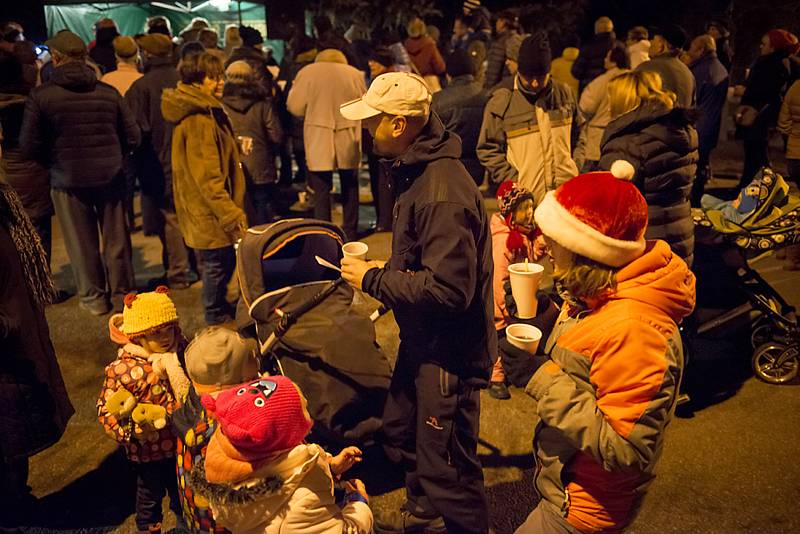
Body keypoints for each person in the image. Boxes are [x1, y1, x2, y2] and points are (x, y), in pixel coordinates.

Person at [340, 71, 494, 533]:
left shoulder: (439, 189)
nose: (366, 128)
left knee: (447, 465)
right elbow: (426, 261)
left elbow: (449, 290)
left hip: (449, 351)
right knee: (400, 430)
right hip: (424, 339)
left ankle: (464, 523)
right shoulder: (419, 168)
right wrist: (390, 278)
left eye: (373, 120)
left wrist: (373, 279)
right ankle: (425, 514)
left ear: (399, 124)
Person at [502, 165, 695, 533]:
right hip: (569, 490)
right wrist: (547, 314)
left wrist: (540, 376)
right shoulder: (606, 289)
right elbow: (591, 352)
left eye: (553, 238)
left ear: (583, 249)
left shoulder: (637, 329)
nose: (543, 246)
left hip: (584, 508)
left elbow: (627, 450)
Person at [20, 30, 140, 316]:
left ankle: (95, 299)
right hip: (110, 175)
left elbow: (28, 144)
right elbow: (133, 136)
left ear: (57, 58)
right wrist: (114, 155)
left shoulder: (41, 96)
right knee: (117, 241)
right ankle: (124, 296)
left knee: (81, 244)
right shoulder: (107, 92)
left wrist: (53, 160)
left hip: (67, 178)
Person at [191, 375, 373, 532]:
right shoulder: (300, 502)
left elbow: (294, 464)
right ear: (283, 440)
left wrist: (330, 467)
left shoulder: (241, 463)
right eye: (303, 412)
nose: (309, 416)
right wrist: (359, 505)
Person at [0, 181, 74, 529]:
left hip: (20, 346)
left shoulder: (5, 203)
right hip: (8, 351)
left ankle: (17, 498)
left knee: (16, 435)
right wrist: (9, 327)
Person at [161, 52, 247, 325]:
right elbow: (208, 178)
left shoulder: (204, 111)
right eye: (213, 77)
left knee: (219, 263)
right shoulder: (199, 119)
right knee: (216, 265)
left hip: (207, 209)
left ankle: (218, 307)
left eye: (221, 76)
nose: (220, 82)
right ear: (197, 80)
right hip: (209, 212)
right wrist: (231, 213)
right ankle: (214, 315)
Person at [97, 287, 187, 534]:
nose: (166, 337)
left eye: (169, 329)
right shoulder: (124, 370)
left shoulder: (181, 353)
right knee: (149, 496)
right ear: (137, 336)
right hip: (146, 450)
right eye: (156, 333)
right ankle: (149, 528)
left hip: (181, 443)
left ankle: (185, 527)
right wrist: (130, 432)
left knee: (183, 493)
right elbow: (107, 410)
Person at [600, 70, 699, 265]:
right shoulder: (680, 132)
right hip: (680, 236)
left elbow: (610, 205)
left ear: (622, 102)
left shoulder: (628, 144)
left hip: (645, 245)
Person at [170, 327, 260, 533]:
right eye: (250, 378)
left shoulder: (192, 400)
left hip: (197, 515)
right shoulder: (224, 425)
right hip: (225, 520)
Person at [477, 33, 579, 205]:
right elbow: (487, 148)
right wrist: (515, 182)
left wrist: (574, 165)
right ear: (518, 70)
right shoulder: (502, 101)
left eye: (540, 77)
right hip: (525, 204)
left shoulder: (565, 94)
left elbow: (579, 134)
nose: (534, 83)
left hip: (566, 199)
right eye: (528, 77)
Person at [126, 33, 193, 290]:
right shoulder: (184, 81)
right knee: (187, 216)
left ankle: (178, 273)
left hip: (158, 164)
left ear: (148, 55)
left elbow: (135, 133)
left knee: (172, 219)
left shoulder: (141, 87)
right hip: (188, 161)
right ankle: (192, 268)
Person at [287, 48, 366, 241]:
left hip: (318, 131)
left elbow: (294, 105)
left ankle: (325, 233)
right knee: (350, 183)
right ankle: (351, 230)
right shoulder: (354, 74)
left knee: (321, 185)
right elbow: (364, 103)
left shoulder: (307, 72)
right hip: (348, 129)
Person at [487, 181, 541, 400]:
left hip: (517, 296)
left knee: (514, 333)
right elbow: (498, 281)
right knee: (499, 335)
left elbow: (532, 257)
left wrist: (541, 242)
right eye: (524, 209)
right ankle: (496, 377)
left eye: (531, 207)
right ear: (510, 213)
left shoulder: (522, 234)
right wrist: (504, 308)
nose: (530, 214)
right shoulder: (504, 241)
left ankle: (512, 368)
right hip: (501, 301)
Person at [0, 51, 53, 267]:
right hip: (33, 173)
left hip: (7, 172)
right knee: (38, 230)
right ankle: (41, 284)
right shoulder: (32, 101)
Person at [222, 60, 284, 226]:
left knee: (238, 208)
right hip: (260, 164)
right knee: (262, 209)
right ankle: (263, 247)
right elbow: (276, 135)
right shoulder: (263, 104)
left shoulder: (219, 104)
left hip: (232, 164)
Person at [735, 29, 799, 186]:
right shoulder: (778, 62)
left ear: (774, 47)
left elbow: (768, 89)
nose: (760, 47)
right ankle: (752, 184)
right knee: (755, 150)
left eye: (764, 44)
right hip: (762, 113)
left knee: (756, 151)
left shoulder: (772, 63)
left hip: (760, 113)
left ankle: (760, 186)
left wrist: (746, 90)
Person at [431, 48, 489, 185]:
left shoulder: (438, 100)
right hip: (480, 168)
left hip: (448, 168)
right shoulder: (487, 96)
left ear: (449, 75)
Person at [686, 35, 729, 206]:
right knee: (701, 166)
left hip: (699, 128)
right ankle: (698, 197)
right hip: (710, 127)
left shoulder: (701, 71)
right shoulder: (720, 69)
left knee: (695, 169)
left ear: (701, 50)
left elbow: (692, 101)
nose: (689, 52)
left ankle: (694, 201)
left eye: (692, 48)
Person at [574, 43, 630, 172]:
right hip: (626, 140)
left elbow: (585, 107)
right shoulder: (634, 80)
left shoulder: (601, 81)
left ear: (614, 61)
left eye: (607, 57)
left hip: (598, 140)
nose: (604, 60)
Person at [637, 24, 696, 108]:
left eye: (652, 39)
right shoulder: (688, 74)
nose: (650, 43)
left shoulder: (646, 69)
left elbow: (632, 103)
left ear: (661, 46)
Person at [778, 78, 800, 269]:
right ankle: (794, 256)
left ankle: (785, 247)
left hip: (794, 156)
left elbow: (783, 124)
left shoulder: (794, 87)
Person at [572, 16, 617, 92]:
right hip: (613, 89)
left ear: (596, 30)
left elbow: (576, 71)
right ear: (611, 29)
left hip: (590, 88)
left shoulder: (588, 48)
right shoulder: (619, 47)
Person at [404, 17, 446, 89]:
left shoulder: (406, 44)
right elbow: (440, 67)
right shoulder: (429, 44)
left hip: (410, 82)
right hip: (427, 83)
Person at [484, 9, 518, 89]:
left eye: (498, 20)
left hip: (499, 90)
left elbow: (493, 73)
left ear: (503, 22)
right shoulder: (519, 40)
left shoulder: (500, 42)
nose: (496, 23)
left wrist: (487, 91)